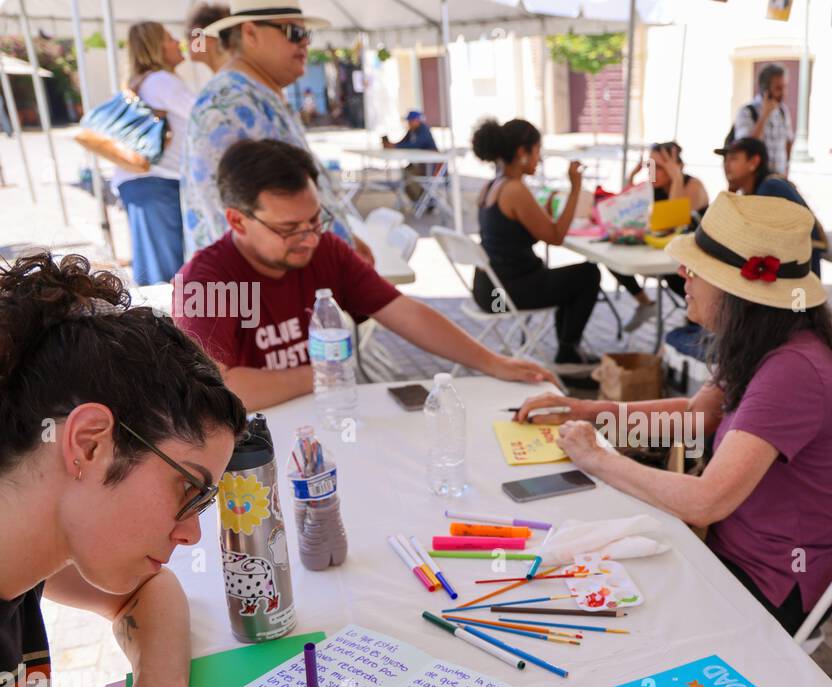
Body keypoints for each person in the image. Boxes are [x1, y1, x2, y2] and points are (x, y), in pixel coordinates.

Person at [0, 253, 372, 687]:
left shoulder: (27, 553)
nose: (193, 534)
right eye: (188, 490)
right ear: (88, 444)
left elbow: (145, 592)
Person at [513, 193, 832, 636]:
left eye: (697, 270)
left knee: (587, 606)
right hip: (733, 554)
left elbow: (705, 504)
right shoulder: (772, 341)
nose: (684, 275)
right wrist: (588, 411)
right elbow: (694, 417)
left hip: (770, 583)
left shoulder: (793, 370)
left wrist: (597, 459)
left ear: (742, 293)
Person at [176, 139, 557, 411]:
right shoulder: (207, 281)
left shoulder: (325, 250)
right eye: (289, 228)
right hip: (252, 445)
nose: (308, 238)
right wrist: (328, 374)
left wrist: (493, 362)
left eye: (315, 220)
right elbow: (218, 389)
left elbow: (404, 312)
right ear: (237, 220)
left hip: (327, 418)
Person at [181, 0, 370, 264]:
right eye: (295, 33)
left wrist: (347, 241)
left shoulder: (254, 94)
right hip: (259, 297)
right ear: (250, 33)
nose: (305, 43)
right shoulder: (228, 105)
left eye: (307, 34)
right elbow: (228, 223)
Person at [470, 117, 602, 372]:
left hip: (488, 289)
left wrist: (543, 209)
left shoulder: (490, 187)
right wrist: (575, 188)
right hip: (507, 294)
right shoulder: (514, 189)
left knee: (568, 279)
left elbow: (513, 232)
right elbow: (555, 237)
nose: (539, 160)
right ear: (522, 152)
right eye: (537, 151)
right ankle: (567, 352)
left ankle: (568, 349)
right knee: (588, 274)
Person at [112, 23, 194, 286]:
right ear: (156, 47)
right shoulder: (161, 81)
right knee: (164, 278)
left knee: (158, 271)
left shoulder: (141, 81)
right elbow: (206, 116)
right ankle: (165, 326)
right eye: (171, 39)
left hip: (146, 184)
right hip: (156, 184)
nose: (178, 43)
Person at [610, 141, 710, 333]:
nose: (652, 171)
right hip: (666, 258)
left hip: (694, 266)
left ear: (676, 166)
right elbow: (623, 208)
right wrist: (631, 175)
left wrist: (677, 178)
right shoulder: (654, 187)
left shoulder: (693, 186)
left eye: (660, 167)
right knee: (613, 260)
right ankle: (645, 303)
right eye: (650, 165)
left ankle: (699, 316)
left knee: (673, 276)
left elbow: (674, 222)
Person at [716, 137, 824, 277]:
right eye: (725, 159)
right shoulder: (757, 189)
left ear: (754, 162)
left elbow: (753, 240)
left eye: (733, 158)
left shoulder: (770, 188)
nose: (726, 165)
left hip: (801, 274)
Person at [731, 63, 794, 177]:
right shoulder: (747, 112)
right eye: (778, 88)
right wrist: (764, 115)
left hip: (778, 177)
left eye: (785, 87)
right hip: (756, 182)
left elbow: (788, 142)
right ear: (765, 89)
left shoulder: (783, 112)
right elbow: (747, 148)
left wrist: (786, 171)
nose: (783, 93)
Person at [382, 110, 440, 202]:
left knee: (410, 175)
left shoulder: (424, 130)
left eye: (410, 121)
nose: (408, 123)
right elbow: (403, 143)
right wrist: (392, 145)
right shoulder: (412, 131)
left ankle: (426, 200)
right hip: (418, 164)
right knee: (405, 174)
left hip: (430, 166)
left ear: (416, 121)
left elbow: (415, 145)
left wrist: (395, 146)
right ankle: (420, 200)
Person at [175, 3, 231, 93]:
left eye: (191, 35)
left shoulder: (228, 82)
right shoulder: (226, 77)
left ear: (209, 37)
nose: (187, 42)